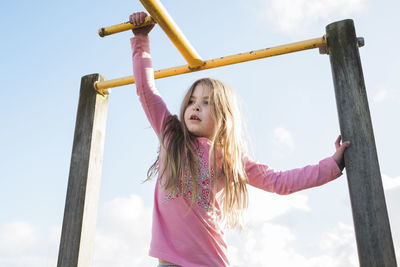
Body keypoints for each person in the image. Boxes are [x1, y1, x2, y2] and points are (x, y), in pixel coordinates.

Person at [129, 11, 350, 267]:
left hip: (210, 261)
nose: (195, 107)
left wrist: (332, 165)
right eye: (191, 101)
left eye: (206, 103)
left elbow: (279, 182)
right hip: (169, 260)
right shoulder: (171, 135)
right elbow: (146, 90)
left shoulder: (227, 155)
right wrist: (141, 39)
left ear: (222, 116)